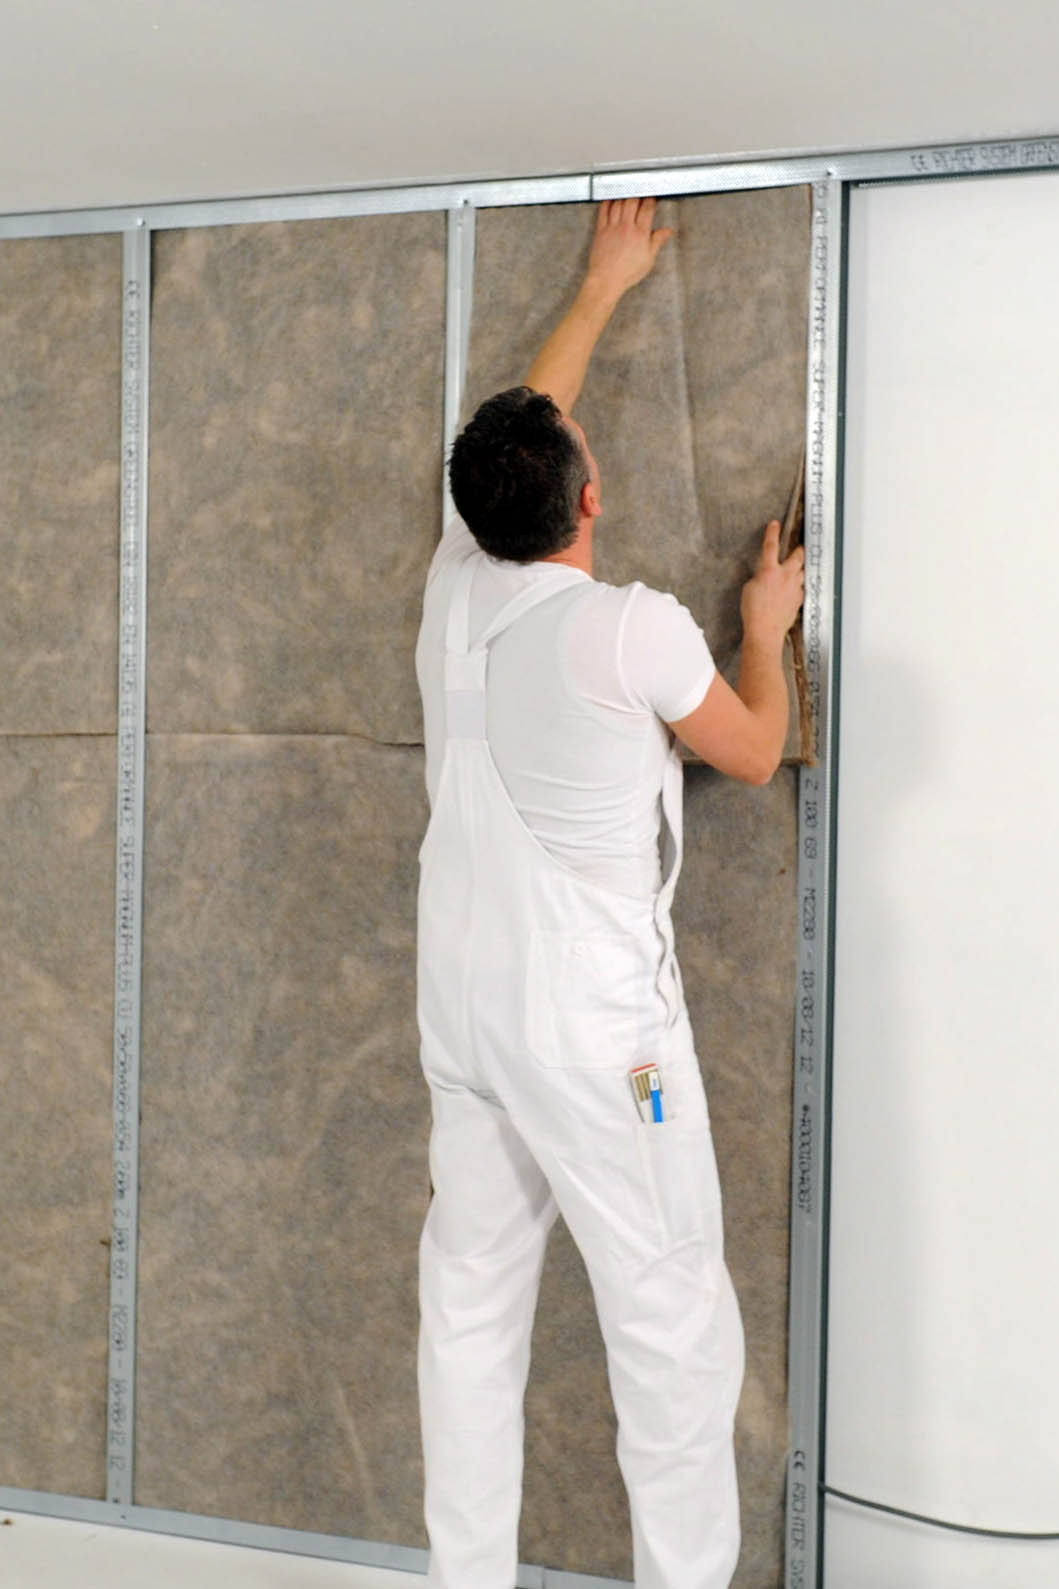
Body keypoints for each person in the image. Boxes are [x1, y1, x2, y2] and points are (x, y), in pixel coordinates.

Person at [412, 197, 807, 1589]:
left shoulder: (457, 597)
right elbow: (752, 752)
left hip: (463, 1013)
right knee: (669, 1317)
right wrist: (763, 631)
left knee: (469, 1314)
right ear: (587, 499)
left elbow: (525, 433)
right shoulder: (629, 629)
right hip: (590, 1032)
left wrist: (599, 288)